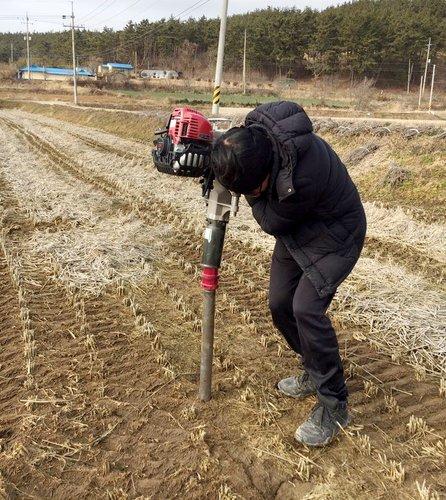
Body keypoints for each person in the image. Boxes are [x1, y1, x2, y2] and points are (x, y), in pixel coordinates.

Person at [210, 101, 367, 447]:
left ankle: (334, 403)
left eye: (251, 190)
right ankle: (313, 367)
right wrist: (222, 166)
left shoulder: (300, 177)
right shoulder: (257, 142)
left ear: (264, 177)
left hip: (337, 234)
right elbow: (232, 156)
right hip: (301, 230)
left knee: (306, 310)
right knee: (280, 302)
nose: (248, 196)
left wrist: (250, 196)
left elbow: (270, 221)